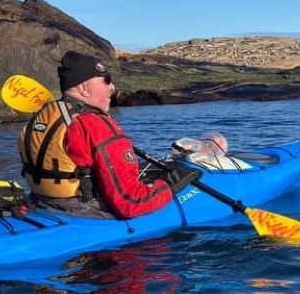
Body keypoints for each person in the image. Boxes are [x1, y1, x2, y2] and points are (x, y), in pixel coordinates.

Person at [17, 50, 200, 219]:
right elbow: (130, 203)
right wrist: (169, 186)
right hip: (85, 211)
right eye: (106, 80)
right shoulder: (95, 124)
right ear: (83, 88)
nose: (112, 87)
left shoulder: (39, 118)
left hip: (42, 202)